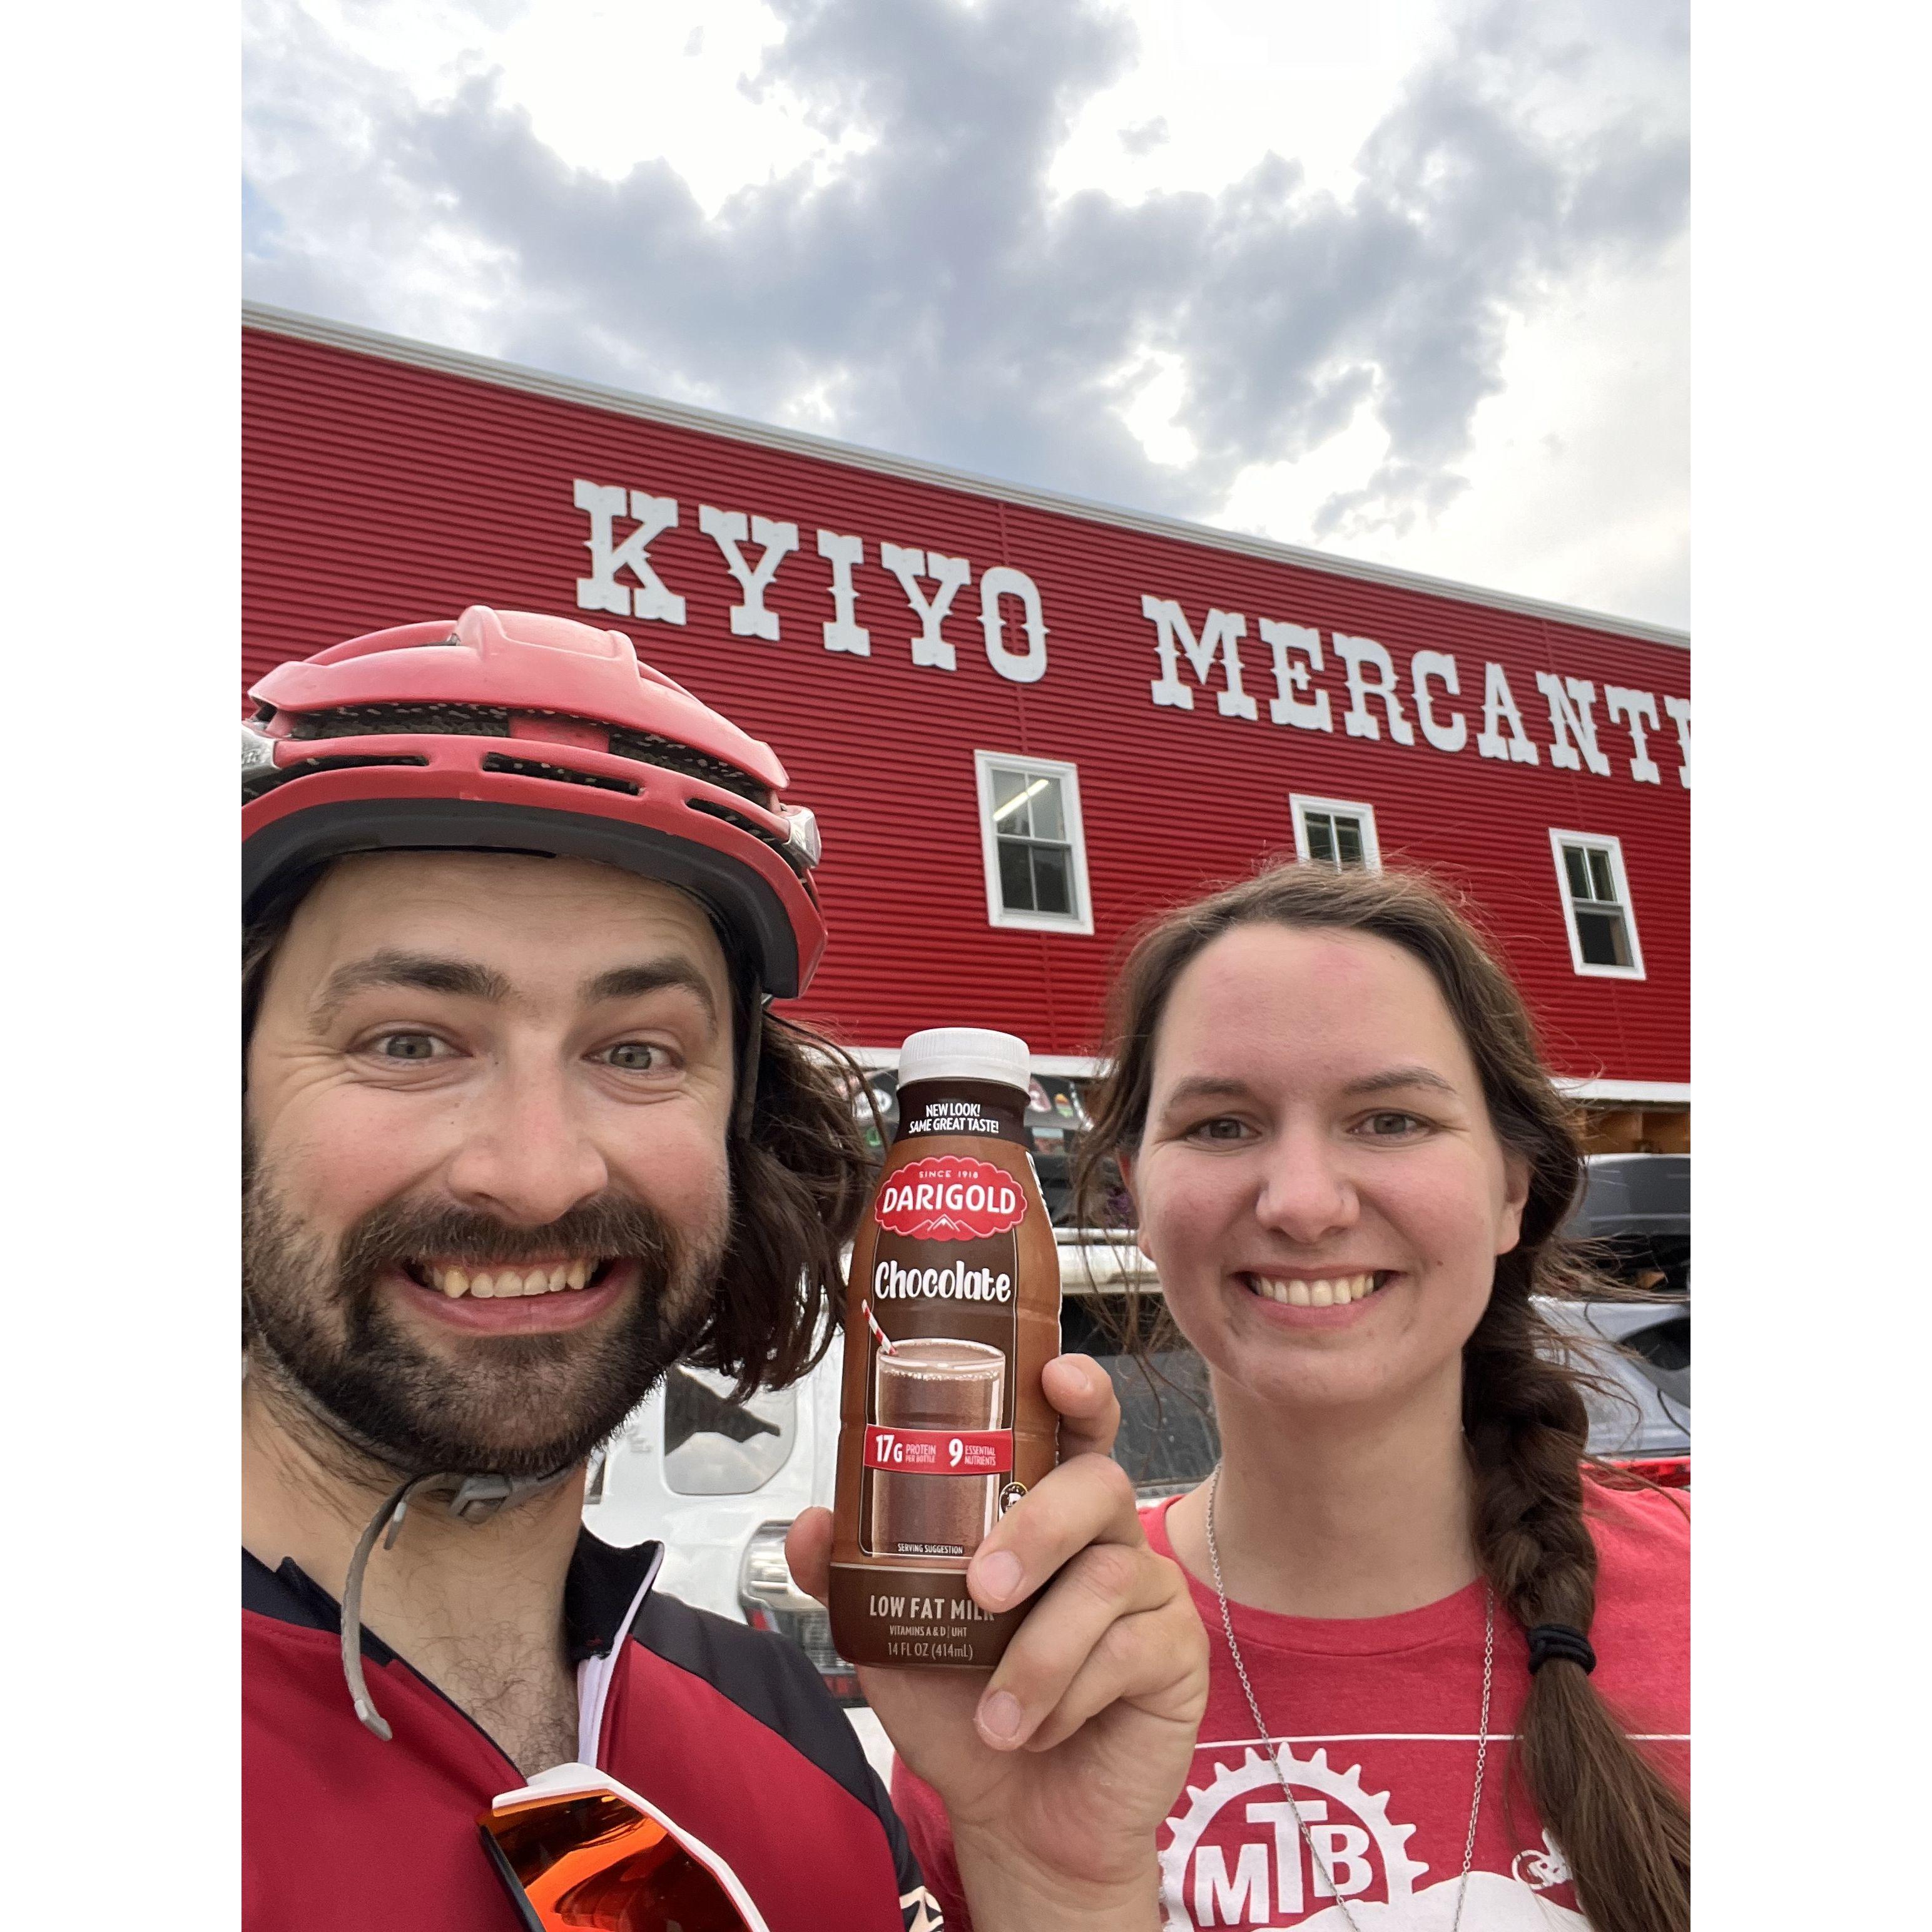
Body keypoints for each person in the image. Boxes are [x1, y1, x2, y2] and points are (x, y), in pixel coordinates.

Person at [242, 605, 1208, 1931]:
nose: (539, 1171)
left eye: (637, 1050)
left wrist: (1055, 1882)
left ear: (737, 1132)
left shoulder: (797, 1729)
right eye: (409, 1040)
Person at [894, 863, 1689, 1932]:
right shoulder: (1033, 1675)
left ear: (1511, 1189)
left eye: (1392, 1119)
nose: (1304, 1204)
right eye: (1222, 1126)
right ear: (1136, 1194)